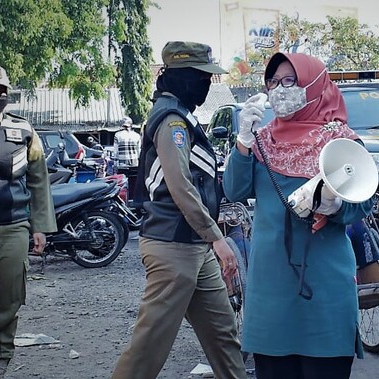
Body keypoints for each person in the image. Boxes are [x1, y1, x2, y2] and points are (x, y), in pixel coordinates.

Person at [222, 53, 375, 379]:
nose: (279, 89)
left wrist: (336, 208)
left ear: (314, 85)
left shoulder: (340, 140)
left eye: (288, 81)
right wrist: (243, 142)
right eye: (273, 82)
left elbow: (364, 202)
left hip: (325, 286)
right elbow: (234, 190)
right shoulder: (262, 140)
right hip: (270, 287)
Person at [112, 41, 247, 379]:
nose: (207, 84)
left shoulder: (183, 117)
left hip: (193, 247)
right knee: (148, 347)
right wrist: (217, 238)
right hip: (172, 247)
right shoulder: (171, 121)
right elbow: (180, 187)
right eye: (202, 77)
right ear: (183, 77)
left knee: (223, 335)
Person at [0, 63, 56, 377]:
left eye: (0, 92)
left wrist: (40, 226)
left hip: (13, 227)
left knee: (8, 297)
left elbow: (38, 180)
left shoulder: (23, 130)